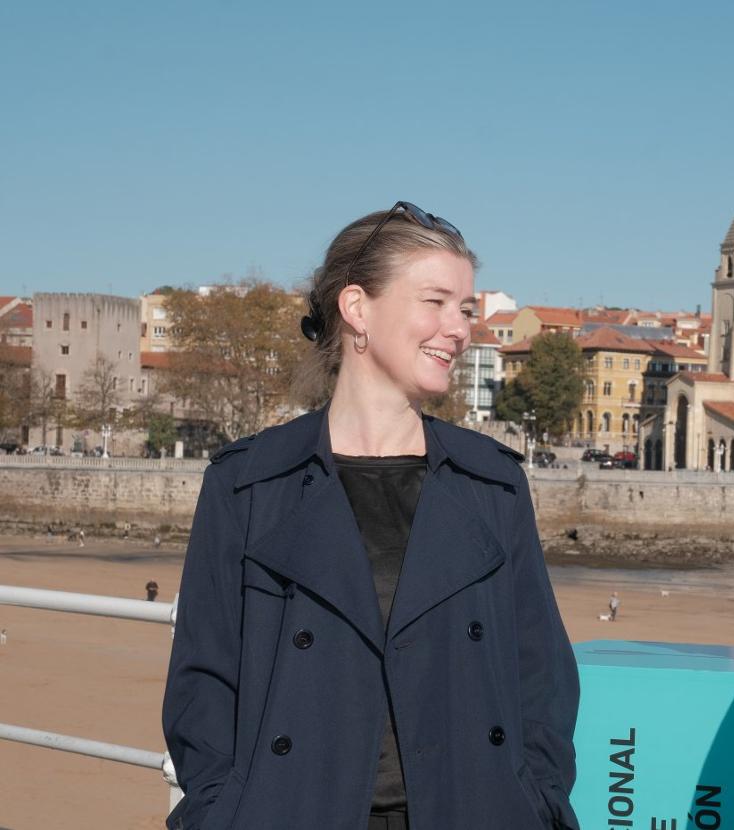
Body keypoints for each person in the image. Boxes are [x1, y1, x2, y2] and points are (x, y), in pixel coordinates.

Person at [163, 202, 580, 830]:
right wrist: (225, 814)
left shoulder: (491, 483)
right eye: (436, 302)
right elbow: (203, 679)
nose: (460, 328)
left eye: (466, 309)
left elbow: (541, 675)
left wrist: (534, 800)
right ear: (357, 309)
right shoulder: (248, 483)